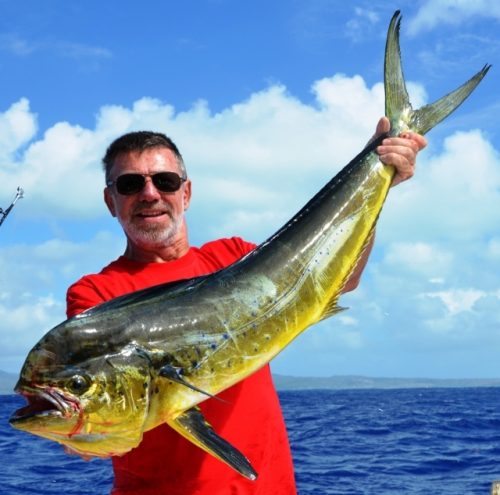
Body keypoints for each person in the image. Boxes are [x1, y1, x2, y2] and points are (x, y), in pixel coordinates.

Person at [66, 119, 426, 495]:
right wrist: (83, 433)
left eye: (165, 181)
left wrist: (379, 176)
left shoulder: (233, 258)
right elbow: (86, 405)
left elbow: (341, 279)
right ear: (111, 201)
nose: (150, 193)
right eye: (130, 184)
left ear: (186, 193)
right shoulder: (95, 295)